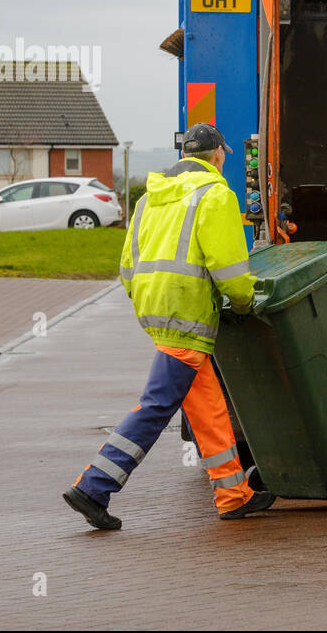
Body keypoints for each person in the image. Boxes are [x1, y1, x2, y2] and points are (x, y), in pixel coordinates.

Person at [63, 122, 273, 530]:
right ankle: (93, 486)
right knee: (157, 405)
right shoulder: (215, 195)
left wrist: (149, 299)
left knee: (207, 407)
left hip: (157, 309)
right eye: (223, 155)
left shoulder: (148, 199)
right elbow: (229, 269)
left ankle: (233, 495)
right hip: (187, 313)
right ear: (217, 155)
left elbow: (127, 266)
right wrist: (245, 302)